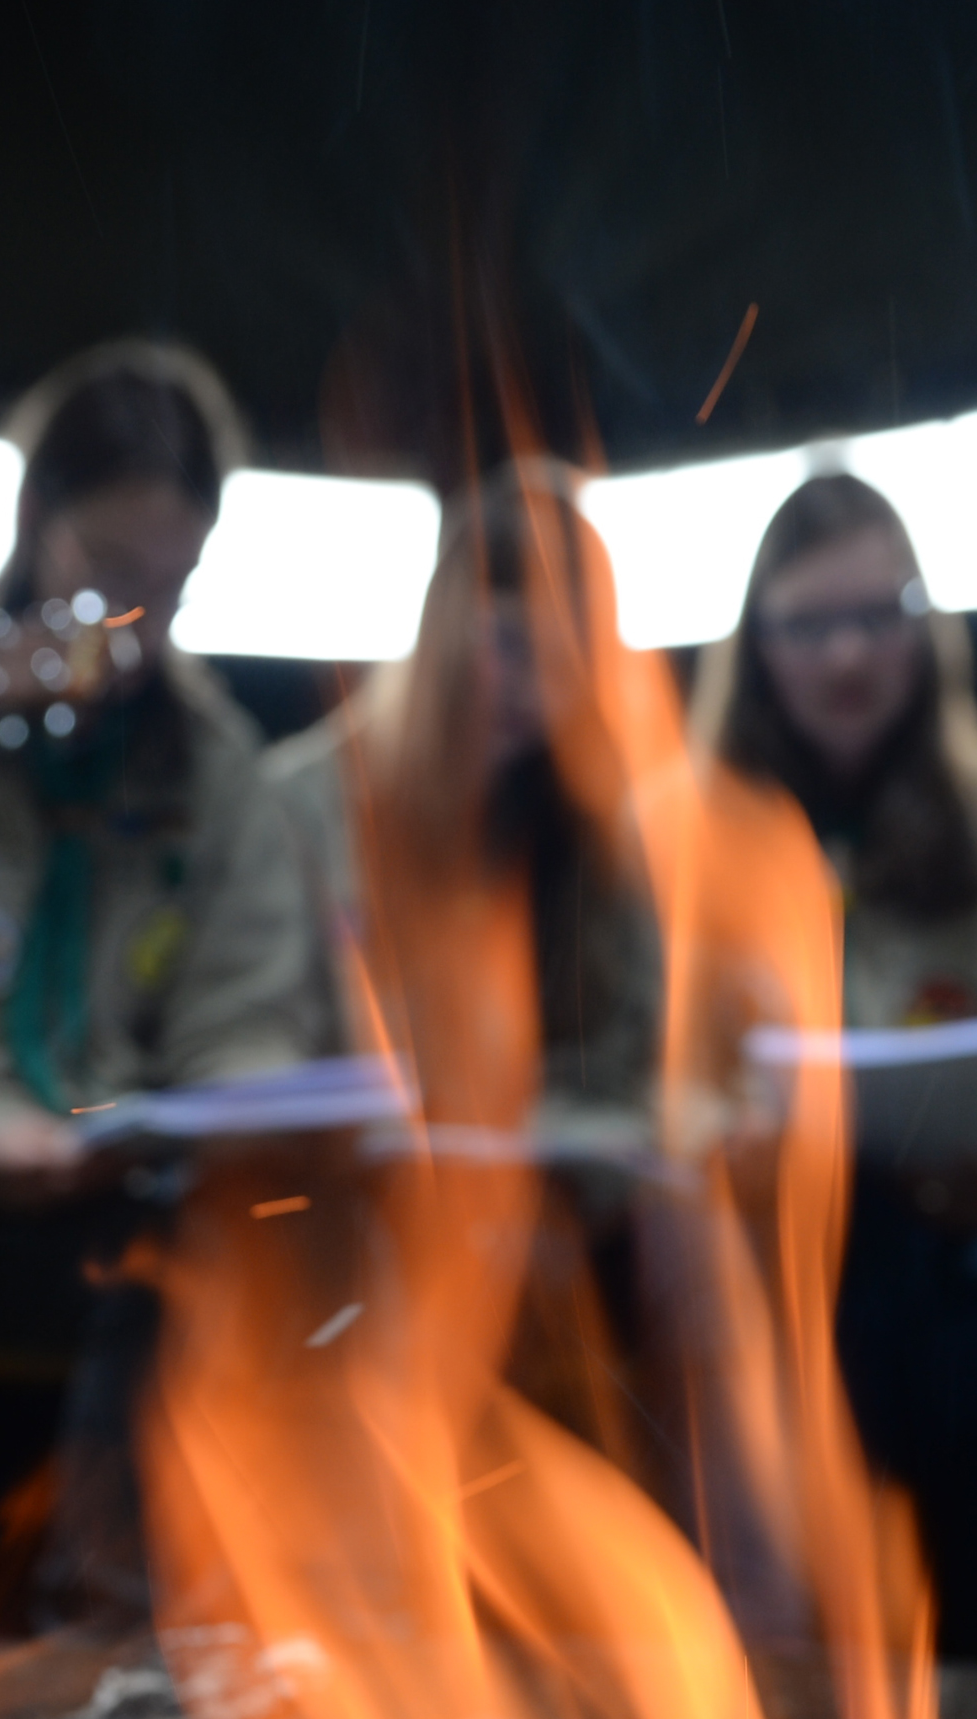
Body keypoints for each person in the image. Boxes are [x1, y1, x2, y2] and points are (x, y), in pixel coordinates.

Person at [0, 342, 317, 1618]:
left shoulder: (216, 780)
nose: (136, 625)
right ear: (36, 525)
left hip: (134, 1200)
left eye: (175, 585)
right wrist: (8, 1144)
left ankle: (279, 1635)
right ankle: (102, 1628)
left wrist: (216, 1119)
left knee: (257, 1247)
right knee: (158, 1272)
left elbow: (247, 1015)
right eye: (109, 577)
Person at [694, 472, 977, 1663]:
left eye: (879, 616)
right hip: (753, 1234)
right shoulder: (688, 822)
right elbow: (642, 1060)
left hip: (949, 1232)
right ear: (758, 640)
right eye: (810, 625)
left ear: (926, 629)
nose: (846, 657)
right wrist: (724, 1136)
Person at [256, 461, 671, 1466]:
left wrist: (540, 1163)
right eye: (514, 644)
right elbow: (258, 1057)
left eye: (578, 654)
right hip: (337, 1226)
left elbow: (633, 1079)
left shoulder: (607, 840)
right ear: (446, 624)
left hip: (544, 1231)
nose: (545, 687)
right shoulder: (301, 807)